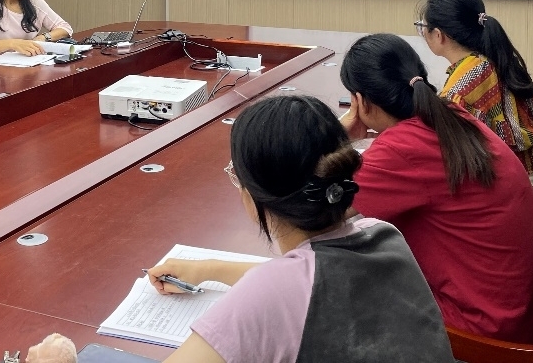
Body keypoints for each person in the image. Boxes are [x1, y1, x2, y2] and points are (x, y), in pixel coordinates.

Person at [144, 95, 455, 363]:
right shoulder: (382, 234)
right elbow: (306, 280)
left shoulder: (273, 293)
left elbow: (285, 287)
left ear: (254, 195)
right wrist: (209, 269)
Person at [339, 33, 533, 345]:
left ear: (360, 100)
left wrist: (338, 138)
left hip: (485, 326)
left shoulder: (402, 149)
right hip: (521, 310)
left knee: (346, 290)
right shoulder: (449, 114)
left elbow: (320, 207)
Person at [417, 0, 533, 198]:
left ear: (439, 35)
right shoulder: (490, 58)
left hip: (511, 189)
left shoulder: (461, 89)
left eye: (423, 27)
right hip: (525, 175)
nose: (422, 32)